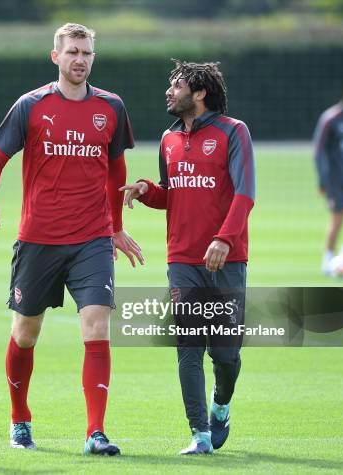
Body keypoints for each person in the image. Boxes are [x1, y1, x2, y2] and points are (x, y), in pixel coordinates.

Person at [0, 23, 143, 456]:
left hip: (90, 239)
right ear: (56, 57)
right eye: (72, 52)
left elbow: (116, 169)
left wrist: (115, 227)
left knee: (96, 326)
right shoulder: (31, 105)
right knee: (26, 332)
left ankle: (95, 432)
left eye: (87, 53)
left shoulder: (111, 107)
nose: (80, 60)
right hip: (38, 240)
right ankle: (19, 419)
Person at [121, 59, 255, 455]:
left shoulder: (234, 132)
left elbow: (245, 193)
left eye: (176, 85)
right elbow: (171, 191)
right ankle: (199, 435)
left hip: (227, 259)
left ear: (199, 93)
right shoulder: (168, 139)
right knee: (188, 347)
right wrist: (148, 190)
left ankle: (221, 405)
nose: (169, 91)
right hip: (182, 260)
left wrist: (225, 240)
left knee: (226, 355)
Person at [314, 80, 343, 277]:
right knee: (338, 220)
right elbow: (319, 150)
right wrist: (323, 180)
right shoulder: (331, 118)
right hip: (337, 181)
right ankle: (328, 260)